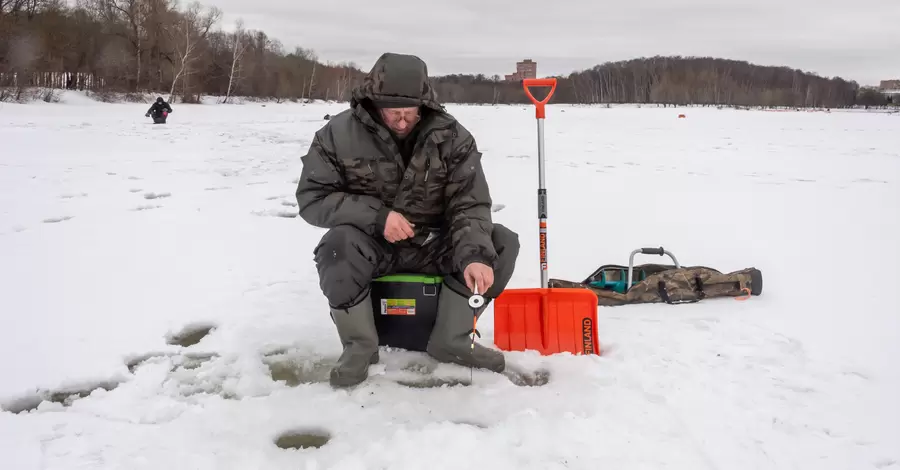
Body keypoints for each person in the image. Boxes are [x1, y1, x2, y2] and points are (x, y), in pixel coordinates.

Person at [295, 52, 520, 388]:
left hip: (434, 246)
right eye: (393, 114)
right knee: (336, 247)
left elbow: (469, 203)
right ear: (374, 104)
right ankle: (360, 346)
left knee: (500, 242)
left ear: (424, 104)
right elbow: (313, 198)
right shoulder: (336, 134)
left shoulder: (453, 137)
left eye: (409, 113)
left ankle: (453, 340)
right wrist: (377, 217)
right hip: (374, 247)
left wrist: (474, 255)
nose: (402, 122)